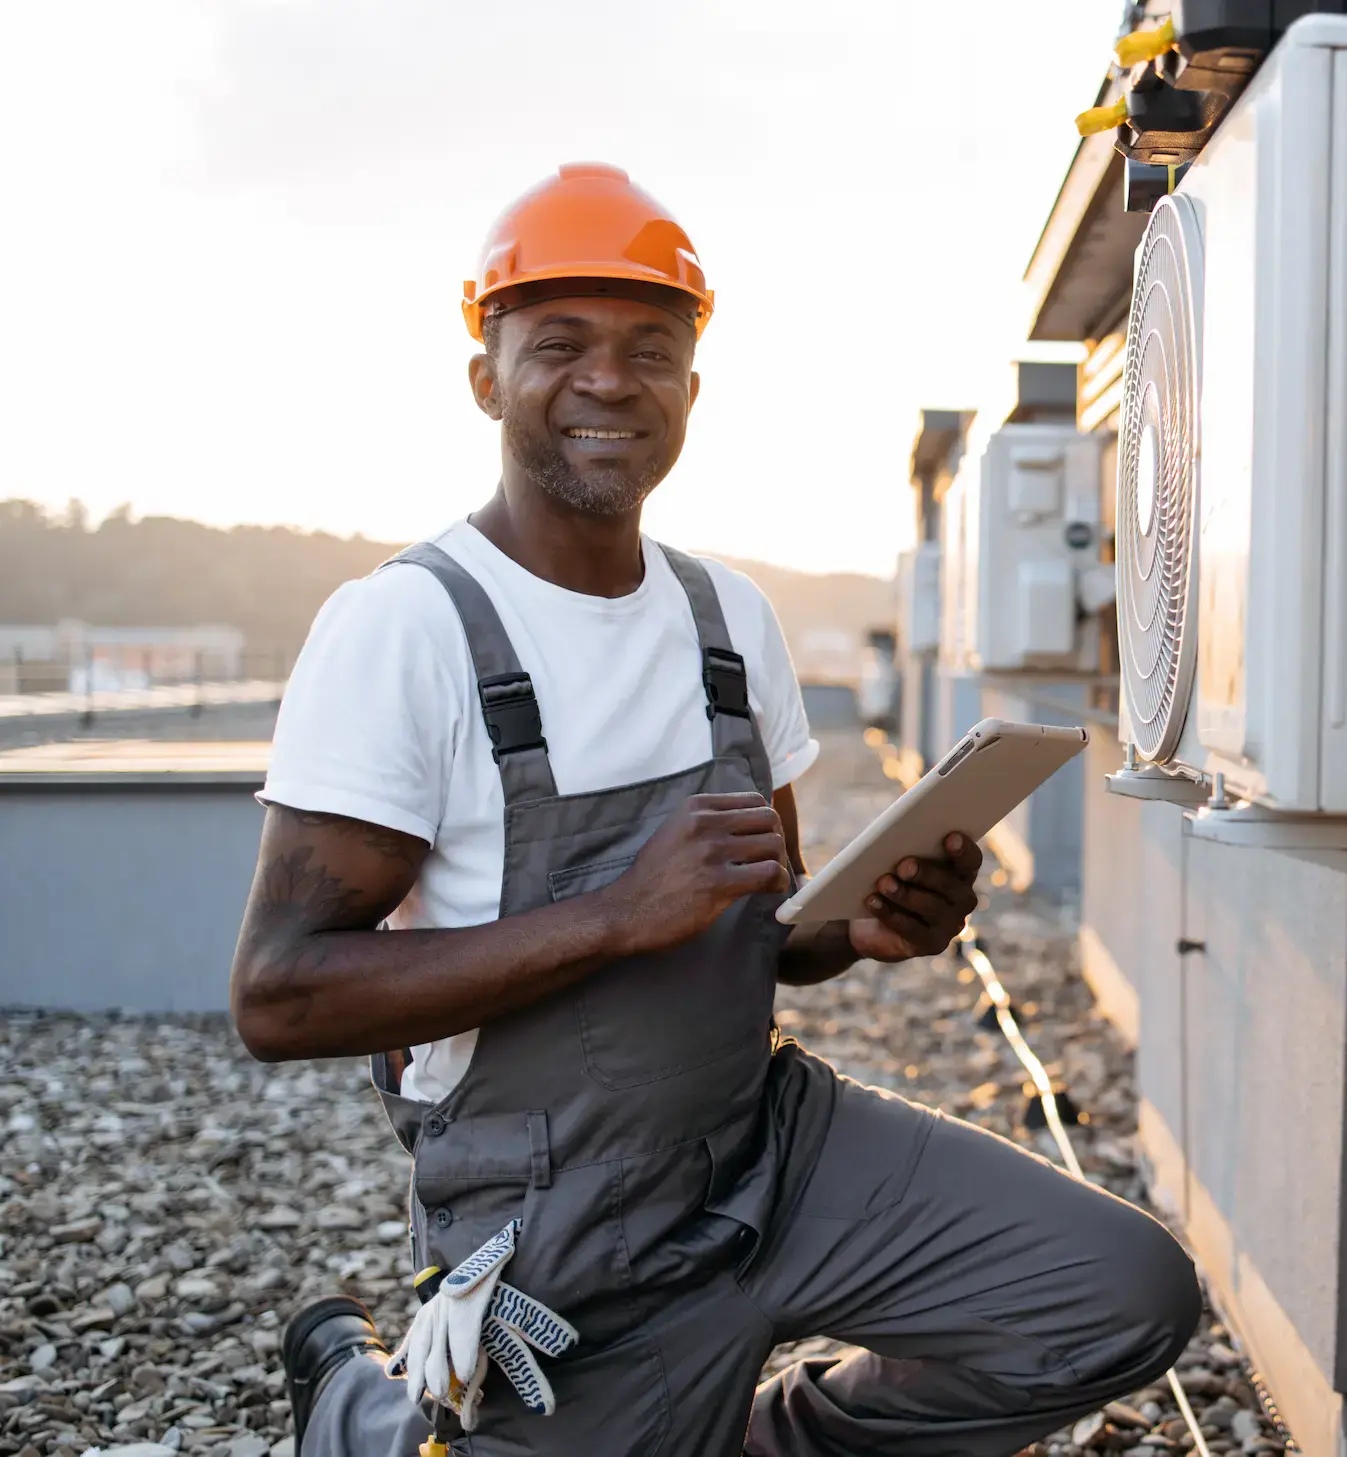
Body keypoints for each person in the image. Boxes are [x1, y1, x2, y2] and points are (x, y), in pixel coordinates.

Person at [230, 162, 1200, 1457]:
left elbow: (773, 935)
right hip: (559, 1224)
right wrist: (616, 915)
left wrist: (867, 925)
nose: (609, 380)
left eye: (652, 348)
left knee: (1121, 1299)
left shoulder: (725, 624)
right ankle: (358, 1399)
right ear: (485, 377)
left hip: (768, 1153)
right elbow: (280, 996)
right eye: (558, 344)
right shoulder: (407, 630)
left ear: (693, 385)